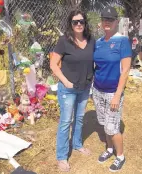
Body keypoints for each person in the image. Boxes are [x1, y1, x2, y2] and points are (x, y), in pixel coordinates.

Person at [50, 10, 95, 172]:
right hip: (68, 88)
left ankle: (77, 144)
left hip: (84, 87)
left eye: (81, 21)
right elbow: (53, 64)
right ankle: (62, 157)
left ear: (85, 23)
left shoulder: (91, 40)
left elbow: (93, 61)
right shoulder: (64, 41)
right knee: (66, 121)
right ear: (70, 24)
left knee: (80, 118)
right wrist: (66, 82)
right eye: (75, 22)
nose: (78, 25)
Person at [92, 6, 132, 172]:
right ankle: (109, 149)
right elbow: (95, 66)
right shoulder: (99, 42)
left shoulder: (122, 41)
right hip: (98, 90)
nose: (106, 22)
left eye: (110, 19)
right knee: (103, 123)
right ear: (101, 22)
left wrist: (117, 95)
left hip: (112, 92)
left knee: (112, 127)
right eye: (104, 19)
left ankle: (120, 156)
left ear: (116, 22)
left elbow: (125, 71)